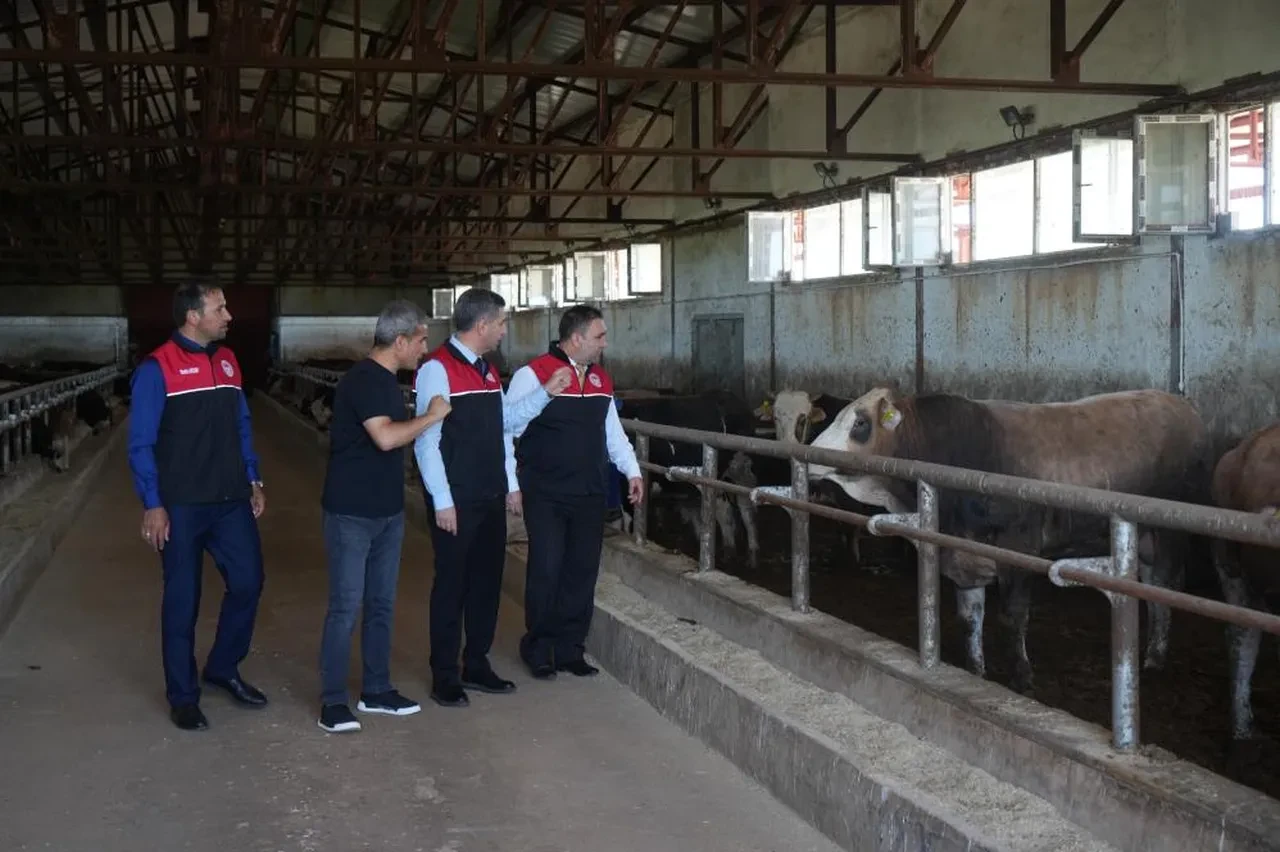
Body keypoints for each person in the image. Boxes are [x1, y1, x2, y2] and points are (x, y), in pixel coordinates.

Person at [414, 288, 573, 708]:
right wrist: (442, 500)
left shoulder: (486, 370)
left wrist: (546, 393)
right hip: (457, 499)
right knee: (452, 585)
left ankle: (476, 663)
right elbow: (427, 441)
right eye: (501, 323)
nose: (504, 330)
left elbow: (504, 425)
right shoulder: (437, 369)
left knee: (486, 582)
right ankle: (444, 674)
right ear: (482, 324)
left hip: (488, 494)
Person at [127, 279, 268, 732]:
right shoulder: (157, 368)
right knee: (182, 601)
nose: (229, 316)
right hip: (181, 506)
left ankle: (223, 666)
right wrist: (153, 503)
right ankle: (183, 696)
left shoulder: (228, 362)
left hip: (230, 501)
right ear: (193, 316)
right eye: (219, 308)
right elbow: (140, 443)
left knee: (248, 582)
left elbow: (242, 426)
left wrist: (252, 477)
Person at [316, 300, 452, 734]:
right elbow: (386, 438)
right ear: (400, 341)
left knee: (380, 604)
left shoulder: (388, 382)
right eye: (421, 340)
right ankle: (332, 702)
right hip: (352, 514)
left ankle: (375, 689)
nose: (424, 349)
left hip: (386, 512)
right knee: (345, 607)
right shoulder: (365, 380)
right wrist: (431, 416)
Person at [505, 305, 643, 679]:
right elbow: (506, 427)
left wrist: (631, 470)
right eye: (600, 336)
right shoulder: (533, 374)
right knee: (547, 568)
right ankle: (538, 647)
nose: (605, 343)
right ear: (577, 338)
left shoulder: (600, 379)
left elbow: (612, 432)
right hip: (545, 493)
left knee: (582, 571)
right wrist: (512, 484)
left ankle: (570, 649)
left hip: (589, 491)